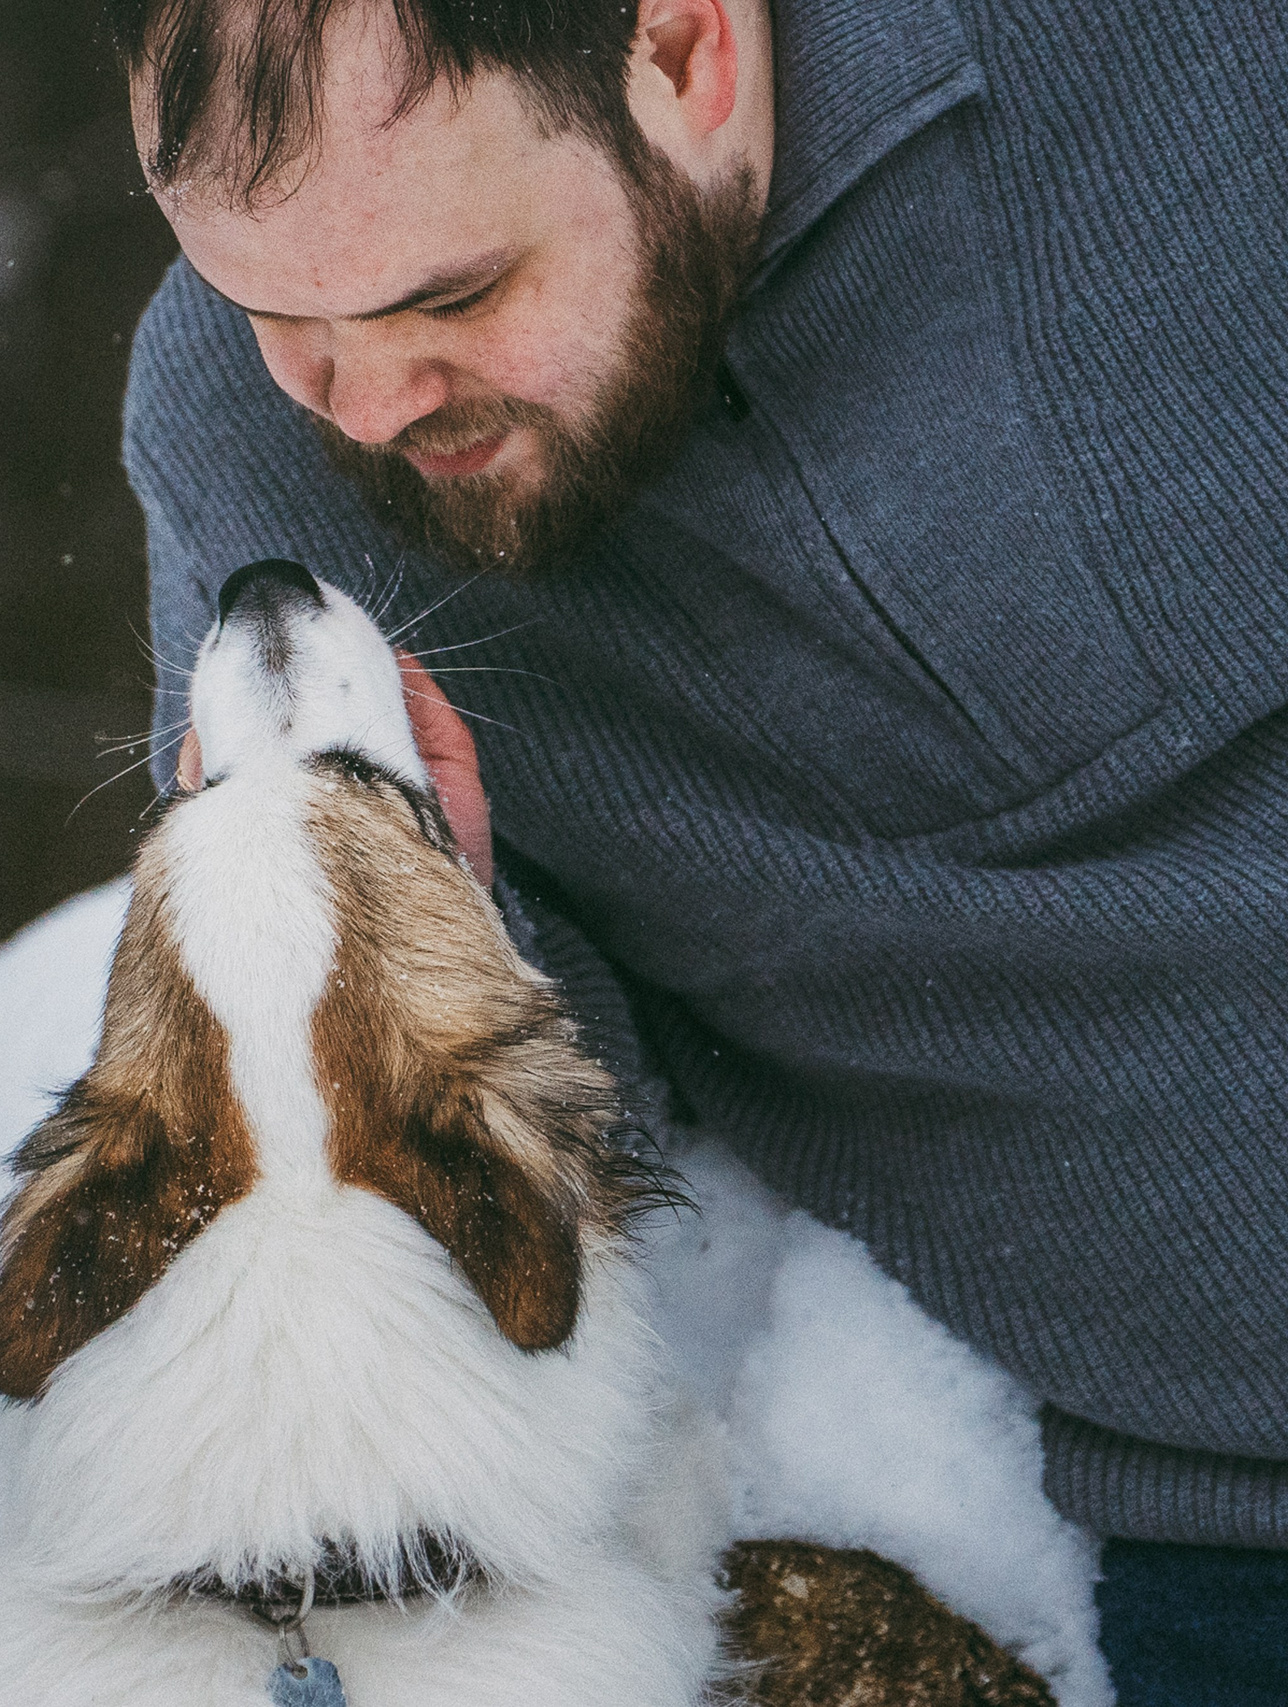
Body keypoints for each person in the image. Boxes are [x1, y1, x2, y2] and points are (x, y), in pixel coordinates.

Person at [113, 0, 1288, 1699]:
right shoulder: (246, 463)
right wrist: (447, 925)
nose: (363, 405)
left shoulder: (1178, 61)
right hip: (1245, 1516)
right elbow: (499, 1214)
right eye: (275, 317)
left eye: (449, 296)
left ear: (679, 52)